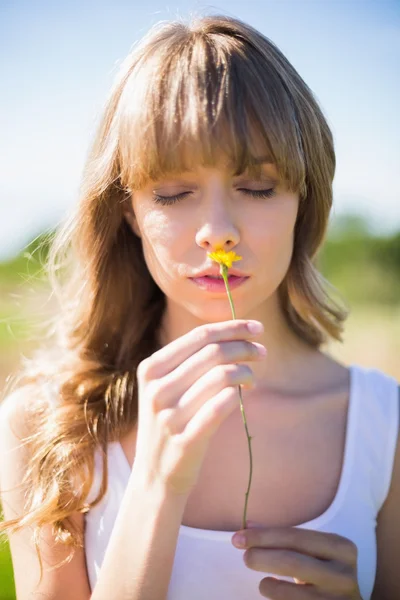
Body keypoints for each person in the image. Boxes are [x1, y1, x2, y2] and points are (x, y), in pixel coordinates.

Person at [0, 13, 399, 600]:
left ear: (304, 198)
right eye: (173, 193)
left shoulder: (384, 424)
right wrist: (157, 486)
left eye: (257, 187)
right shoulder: (46, 426)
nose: (218, 232)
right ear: (129, 211)